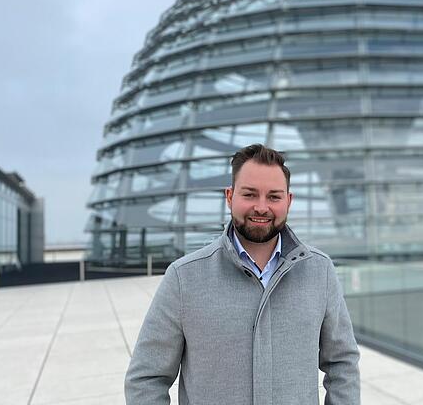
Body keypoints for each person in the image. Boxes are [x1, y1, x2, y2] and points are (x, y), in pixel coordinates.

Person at [125, 144, 360, 404]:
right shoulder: (183, 278)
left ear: (288, 201)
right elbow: (146, 379)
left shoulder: (320, 271)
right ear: (229, 196)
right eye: (250, 194)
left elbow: (342, 363)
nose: (261, 207)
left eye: (274, 196)